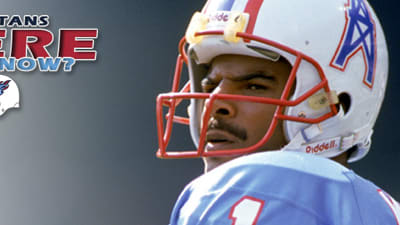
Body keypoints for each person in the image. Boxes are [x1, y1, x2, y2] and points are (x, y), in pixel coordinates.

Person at [155, 0, 400, 224]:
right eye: (209, 86)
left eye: (254, 86)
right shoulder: (383, 210)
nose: (214, 104)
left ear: (337, 104)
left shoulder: (251, 188)